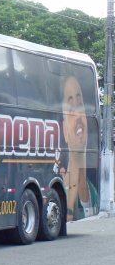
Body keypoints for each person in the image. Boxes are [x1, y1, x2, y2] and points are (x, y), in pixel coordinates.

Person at [60, 74, 99, 220]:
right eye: (71, 108)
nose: (77, 115)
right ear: (65, 131)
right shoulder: (62, 191)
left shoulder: (94, 192)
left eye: (80, 103)